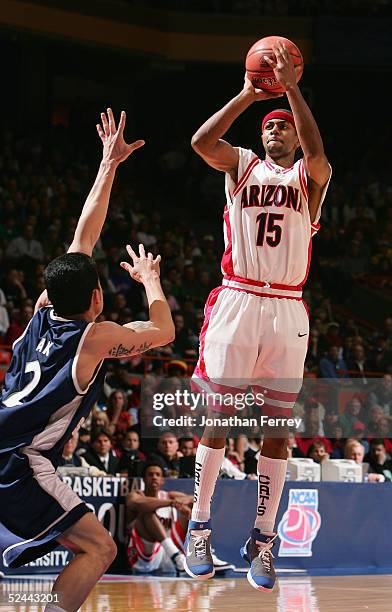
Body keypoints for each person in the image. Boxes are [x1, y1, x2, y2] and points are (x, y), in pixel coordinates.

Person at [0, 109, 174, 612]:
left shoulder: (42, 307)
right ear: (98, 296)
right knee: (102, 547)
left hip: (8, 444)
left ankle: (41, 539)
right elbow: (163, 332)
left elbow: (82, 240)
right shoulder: (95, 338)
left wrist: (107, 164)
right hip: (20, 463)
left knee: (81, 539)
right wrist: (150, 280)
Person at [186, 40, 331, 592]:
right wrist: (250, 93)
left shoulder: (308, 180)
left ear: (294, 132)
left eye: (282, 127)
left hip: (287, 306)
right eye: (268, 127)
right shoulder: (242, 165)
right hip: (239, 296)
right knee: (218, 420)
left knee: (276, 431)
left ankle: (262, 540)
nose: (274, 132)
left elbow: (319, 159)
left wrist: (292, 88)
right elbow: (202, 142)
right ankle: (199, 528)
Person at [125, 462, 191, 574]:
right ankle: (177, 556)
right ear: (144, 479)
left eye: (157, 475)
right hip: (143, 555)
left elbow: (195, 498)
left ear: (162, 480)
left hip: (166, 555)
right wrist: (172, 503)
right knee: (146, 510)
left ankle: (201, 554)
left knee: (194, 512)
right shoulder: (136, 495)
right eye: (150, 475)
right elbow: (137, 503)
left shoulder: (169, 495)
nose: (154, 477)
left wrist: (185, 502)